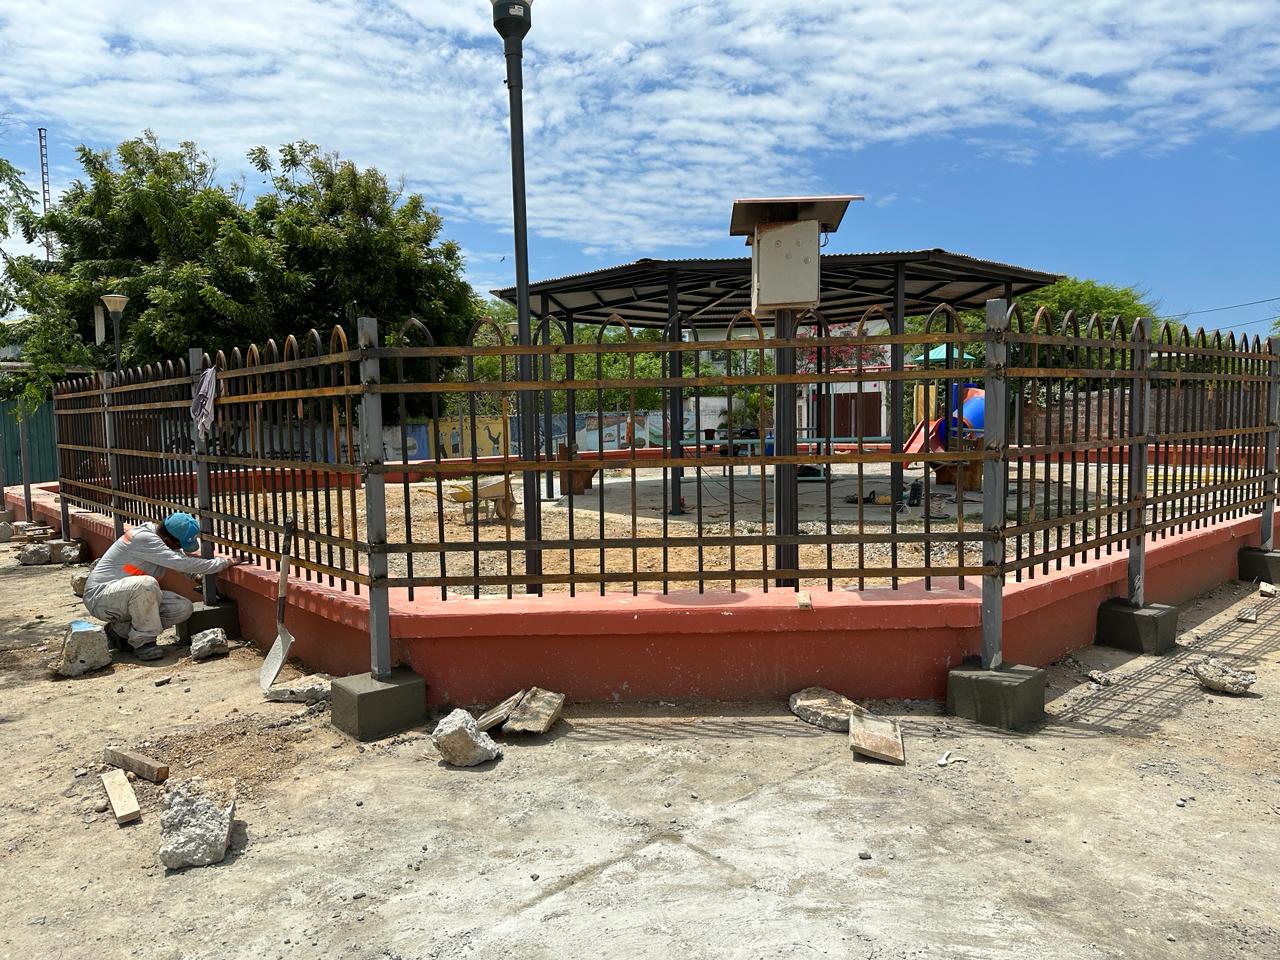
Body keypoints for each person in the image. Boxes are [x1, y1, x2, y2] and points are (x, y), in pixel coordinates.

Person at [81, 513, 239, 661]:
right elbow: (179, 562)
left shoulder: (159, 541)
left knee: (182, 608)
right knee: (146, 584)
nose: (178, 548)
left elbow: (176, 558)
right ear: (166, 539)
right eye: (178, 545)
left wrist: (195, 576)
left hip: (128, 596)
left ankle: (120, 632)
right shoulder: (143, 539)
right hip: (101, 598)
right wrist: (223, 563)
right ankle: (144, 643)